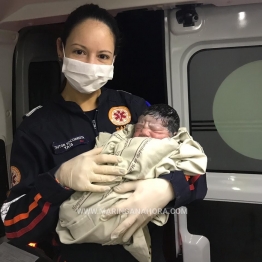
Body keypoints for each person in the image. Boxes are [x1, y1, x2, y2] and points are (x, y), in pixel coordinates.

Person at [0, 4, 207, 262]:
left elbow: (195, 172)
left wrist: (166, 188)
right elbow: (15, 225)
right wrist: (59, 180)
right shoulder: (36, 127)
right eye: (79, 51)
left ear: (113, 61)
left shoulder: (135, 108)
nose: (90, 64)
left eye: (102, 56)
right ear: (60, 49)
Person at [56, 104, 207, 262]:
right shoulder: (40, 122)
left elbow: (197, 177)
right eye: (139, 126)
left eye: (155, 130)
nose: (143, 132)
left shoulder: (133, 103)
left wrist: (169, 186)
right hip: (78, 250)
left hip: (141, 244)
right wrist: (57, 179)